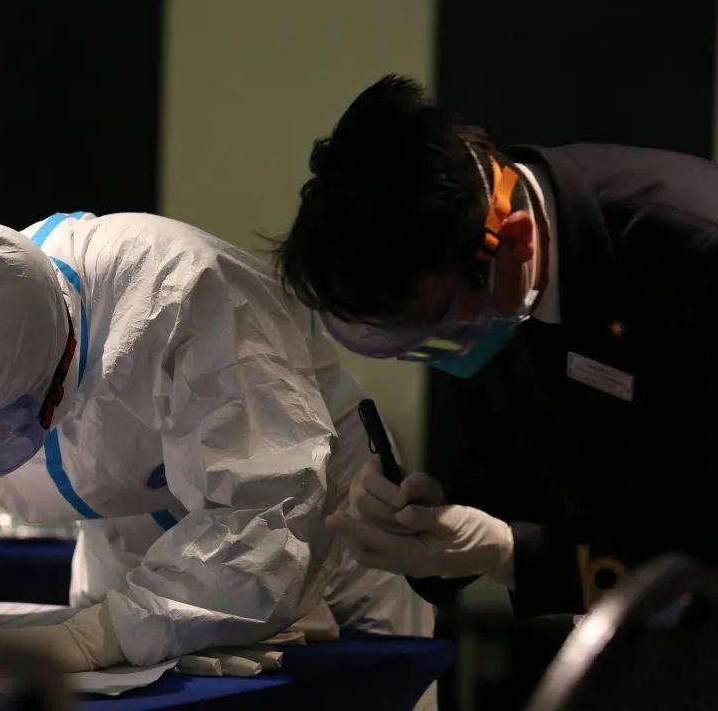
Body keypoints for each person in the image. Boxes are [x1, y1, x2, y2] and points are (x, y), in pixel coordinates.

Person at [0, 212, 432, 675]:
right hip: (130, 543)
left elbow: (267, 513)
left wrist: (94, 638)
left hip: (325, 532)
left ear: (67, 366)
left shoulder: (185, 296)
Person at [275, 74, 718, 617]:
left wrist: (513, 554)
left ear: (515, 240)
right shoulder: (485, 286)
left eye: (442, 326)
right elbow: (504, 482)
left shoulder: (695, 249)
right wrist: (429, 519)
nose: (445, 350)